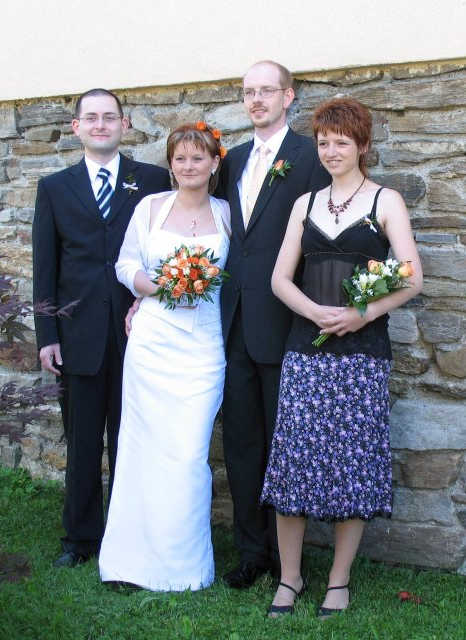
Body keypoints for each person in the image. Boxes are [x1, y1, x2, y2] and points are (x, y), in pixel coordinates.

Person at [261, 97, 423, 618]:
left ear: (363, 146)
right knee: (294, 462)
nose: (331, 152)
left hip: (362, 355)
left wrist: (361, 314)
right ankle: (289, 578)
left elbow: (412, 278)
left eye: (342, 143)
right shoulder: (304, 204)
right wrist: (313, 311)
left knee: (352, 466)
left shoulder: (385, 201)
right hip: (304, 353)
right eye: (324, 143)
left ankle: (338, 580)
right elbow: (279, 279)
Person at [32, 88, 171, 568]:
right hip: (79, 336)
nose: (100, 125)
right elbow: (45, 268)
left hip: (140, 331)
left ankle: (128, 532)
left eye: (109, 117)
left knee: (134, 439)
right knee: (84, 441)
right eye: (90, 118)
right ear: (76, 127)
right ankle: (79, 538)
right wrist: (47, 336)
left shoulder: (152, 180)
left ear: (124, 125)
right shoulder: (55, 188)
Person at [98, 123, 230, 591]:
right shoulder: (150, 208)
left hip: (203, 348)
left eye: (198, 158)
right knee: (142, 447)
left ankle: (183, 568)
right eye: (180, 159)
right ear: (170, 165)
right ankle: (129, 561)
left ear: (214, 163)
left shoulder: (227, 213)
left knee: (188, 453)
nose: (188, 166)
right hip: (153, 342)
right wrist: (157, 288)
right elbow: (125, 264)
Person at [216, 60, 330, 588]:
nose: (256, 99)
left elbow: (321, 240)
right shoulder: (232, 160)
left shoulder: (310, 156)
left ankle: (290, 563)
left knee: (287, 445)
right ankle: (251, 551)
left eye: (267, 90)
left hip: (286, 323)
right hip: (232, 323)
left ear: (289, 96)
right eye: (248, 92)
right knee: (241, 441)